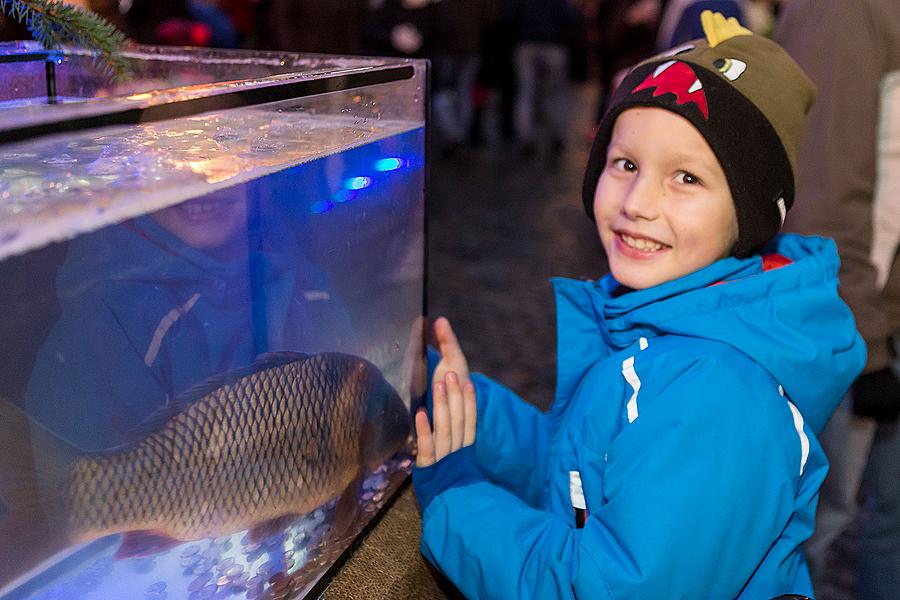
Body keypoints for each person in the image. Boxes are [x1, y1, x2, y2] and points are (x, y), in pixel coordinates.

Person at [411, 11, 866, 599]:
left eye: (686, 178)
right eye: (625, 164)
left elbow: (600, 587)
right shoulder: (662, 322)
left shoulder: (720, 393)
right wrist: (463, 404)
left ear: (750, 214)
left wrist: (453, 499)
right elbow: (578, 476)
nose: (637, 201)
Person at [775, 1, 900, 598]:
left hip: (880, 314)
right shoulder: (845, 10)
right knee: (816, 529)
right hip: (855, 322)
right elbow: (823, 188)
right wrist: (867, 342)